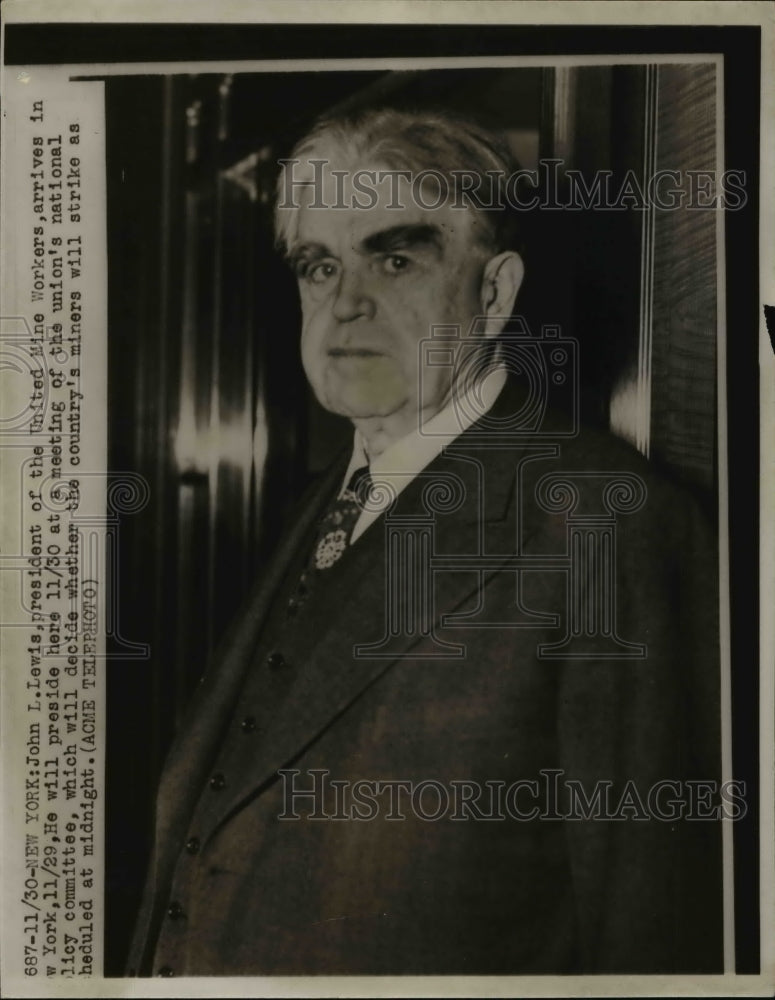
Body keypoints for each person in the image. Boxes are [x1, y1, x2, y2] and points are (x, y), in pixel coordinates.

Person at [128, 108, 723, 976]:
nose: (346, 304)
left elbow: (654, 931)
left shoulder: (604, 518)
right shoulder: (320, 499)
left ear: (494, 292)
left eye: (395, 257)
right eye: (318, 265)